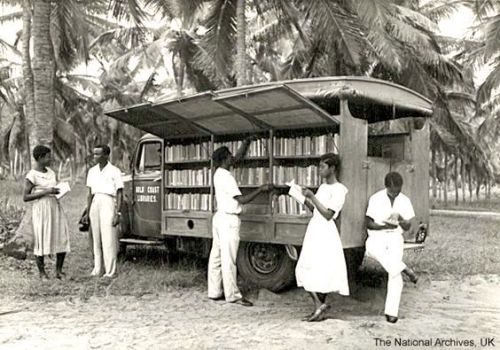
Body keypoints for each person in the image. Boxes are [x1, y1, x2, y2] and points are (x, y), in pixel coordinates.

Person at [208, 138, 272, 306]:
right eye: (229, 157)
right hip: (229, 220)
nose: (232, 159)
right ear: (224, 160)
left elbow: (237, 158)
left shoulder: (218, 173)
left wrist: (246, 143)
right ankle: (233, 296)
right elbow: (242, 200)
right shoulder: (227, 177)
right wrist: (261, 189)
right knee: (229, 259)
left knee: (216, 257)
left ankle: (214, 291)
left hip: (219, 218)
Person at [295, 153, 350, 322]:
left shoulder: (340, 190)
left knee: (321, 269)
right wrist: (301, 197)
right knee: (305, 268)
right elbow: (316, 209)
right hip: (315, 229)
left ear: (332, 168)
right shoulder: (323, 187)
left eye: (322, 167)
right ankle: (319, 306)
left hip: (325, 231)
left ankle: (319, 306)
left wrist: (312, 197)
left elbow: (328, 214)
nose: (319, 170)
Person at [365, 171, 419, 324]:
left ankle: (391, 313)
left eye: (398, 191)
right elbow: (368, 223)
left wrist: (400, 218)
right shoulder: (376, 198)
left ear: (401, 188)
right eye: (392, 191)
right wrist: (383, 226)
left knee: (394, 274)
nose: (395, 194)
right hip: (377, 236)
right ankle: (405, 268)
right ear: (386, 187)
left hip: (395, 236)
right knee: (371, 250)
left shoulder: (405, 200)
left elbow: (408, 227)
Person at [23, 145, 70, 279]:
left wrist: (59, 189)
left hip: (54, 206)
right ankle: (42, 273)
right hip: (41, 209)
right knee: (41, 238)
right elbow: (25, 197)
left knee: (61, 235)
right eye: (48, 156)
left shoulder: (51, 172)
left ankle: (59, 271)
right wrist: (46, 192)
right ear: (40, 158)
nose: (51, 159)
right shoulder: (32, 175)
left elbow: (53, 188)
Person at [82, 144, 123, 278]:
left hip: (108, 201)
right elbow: (89, 194)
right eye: (94, 154)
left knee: (108, 238)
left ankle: (110, 271)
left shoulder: (114, 171)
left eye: (98, 154)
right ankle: (97, 269)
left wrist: (118, 213)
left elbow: (120, 193)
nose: (95, 157)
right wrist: (87, 212)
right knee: (96, 238)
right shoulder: (92, 171)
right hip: (95, 202)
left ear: (106, 155)